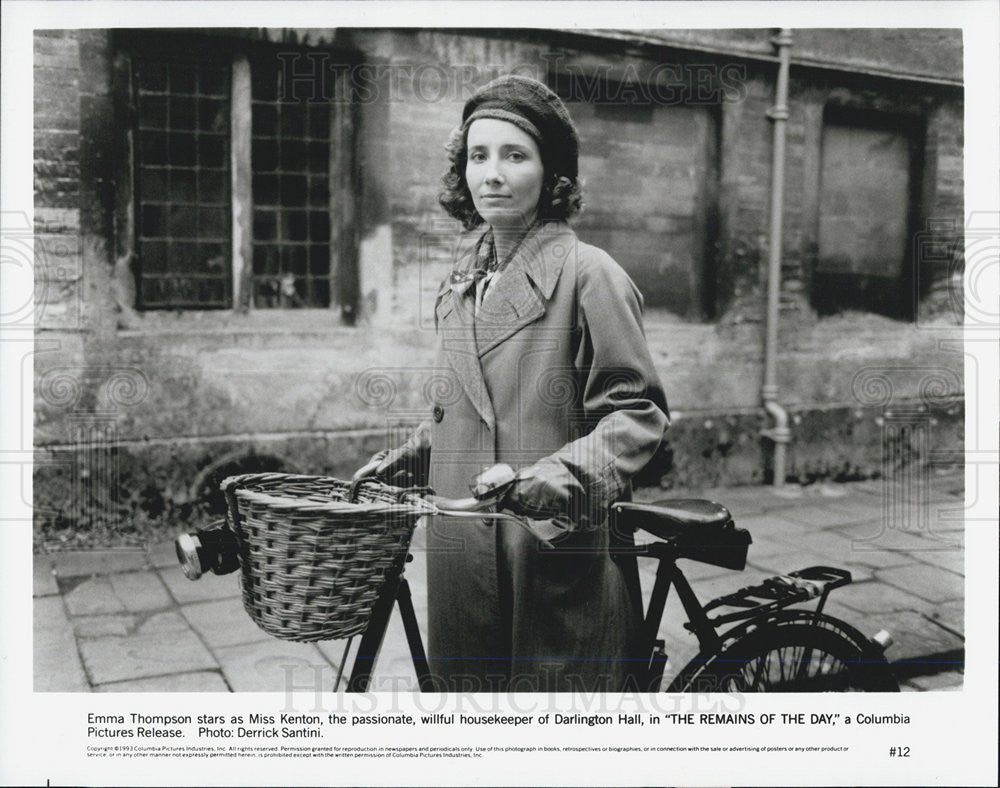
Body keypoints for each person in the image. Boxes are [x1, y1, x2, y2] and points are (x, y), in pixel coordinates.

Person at [357, 75, 669, 692]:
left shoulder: (590, 276)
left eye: (514, 155)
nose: (491, 174)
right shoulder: (462, 281)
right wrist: (417, 455)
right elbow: (469, 405)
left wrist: (549, 479)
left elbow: (638, 417)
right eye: (478, 156)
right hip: (462, 553)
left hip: (548, 553)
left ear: (552, 175)